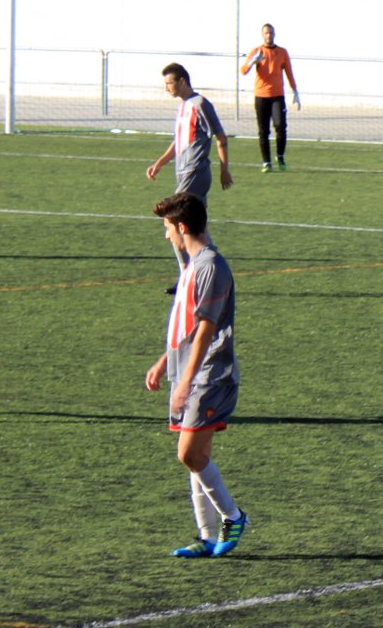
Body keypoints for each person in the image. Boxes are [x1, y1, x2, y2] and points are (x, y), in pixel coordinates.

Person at [145, 191, 248, 558]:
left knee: (188, 454)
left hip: (210, 375)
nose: (166, 234)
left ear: (183, 227)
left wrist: (186, 381)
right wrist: (165, 361)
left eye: (168, 227)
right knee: (198, 457)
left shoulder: (210, 267)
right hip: (190, 372)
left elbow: (206, 328)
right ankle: (206, 537)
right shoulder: (193, 266)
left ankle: (233, 517)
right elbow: (187, 327)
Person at [146, 63, 233, 289]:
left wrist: (224, 169)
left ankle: (187, 276)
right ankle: (211, 272)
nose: (166, 88)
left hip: (195, 171)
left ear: (182, 81)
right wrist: (160, 163)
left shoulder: (200, 104)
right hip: (186, 172)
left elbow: (221, 137)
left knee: (173, 218)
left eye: (169, 83)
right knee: (197, 225)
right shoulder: (184, 106)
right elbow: (180, 140)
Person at [240, 23, 299, 173]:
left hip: (277, 96)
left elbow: (289, 72)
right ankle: (266, 162)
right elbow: (243, 71)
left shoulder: (282, 52)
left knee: (280, 126)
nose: (268, 35)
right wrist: (253, 61)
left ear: (274, 34)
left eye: (271, 33)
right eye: (266, 33)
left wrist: (295, 91)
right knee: (263, 130)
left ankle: (280, 155)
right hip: (261, 96)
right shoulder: (257, 51)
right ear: (262, 35)